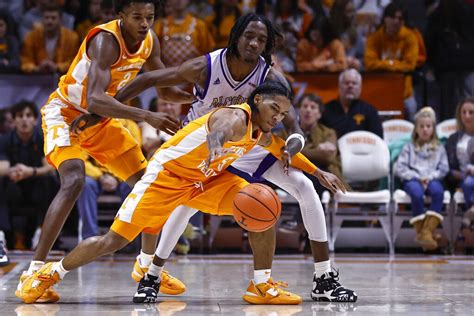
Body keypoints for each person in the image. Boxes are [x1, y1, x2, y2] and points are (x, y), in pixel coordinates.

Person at [111, 13, 357, 303]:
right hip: (204, 146)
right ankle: (152, 275)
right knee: (185, 205)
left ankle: (323, 278)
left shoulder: (269, 77)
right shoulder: (207, 66)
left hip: (248, 145)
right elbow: (151, 78)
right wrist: (109, 106)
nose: (253, 43)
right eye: (249, 36)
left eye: (261, 40)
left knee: (304, 187)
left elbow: (294, 128)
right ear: (236, 36)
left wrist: (291, 148)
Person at [18, 81, 335, 304]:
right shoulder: (237, 117)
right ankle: (48, 274)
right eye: (273, 109)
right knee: (113, 241)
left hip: (205, 181)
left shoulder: (261, 131)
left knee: (264, 206)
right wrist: (214, 145)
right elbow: (220, 129)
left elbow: (278, 147)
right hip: (167, 177)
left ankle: (261, 285)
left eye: (282, 115)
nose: (277, 117)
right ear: (257, 102)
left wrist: (315, 171)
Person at [15, 0, 194, 304]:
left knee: (150, 187)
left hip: (101, 121)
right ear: (120, 15)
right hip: (67, 114)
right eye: (137, 16)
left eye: (149, 17)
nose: (144, 23)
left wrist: (203, 93)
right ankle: (33, 270)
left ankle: (146, 265)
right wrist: (147, 116)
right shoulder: (104, 42)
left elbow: (164, 89)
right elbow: (96, 99)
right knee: (74, 180)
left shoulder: (149, 41)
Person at [0, 101, 57, 251]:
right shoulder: (4, 140)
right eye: (20, 116)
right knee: (2, 181)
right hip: (14, 187)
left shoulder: (43, 138)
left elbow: (50, 167)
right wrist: (15, 171)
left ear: (35, 120)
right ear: (14, 120)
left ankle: (42, 232)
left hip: (37, 188)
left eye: (28, 115)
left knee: (49, 180)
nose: (24, 119)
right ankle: (2, 235)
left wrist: (29, 171)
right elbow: (3, 167)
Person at [394, 107, 449, 251]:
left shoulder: (439, 148)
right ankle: (425, 233)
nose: (425, 129)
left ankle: (425, 232)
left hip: (432, 178)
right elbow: (400, 168)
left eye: (428, 126)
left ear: (433, 129)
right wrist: (418, 178)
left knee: (438, 192)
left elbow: (444, 168)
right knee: (416, 193)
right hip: (413, 179)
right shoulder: (408, 147)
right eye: (422, 126)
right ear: (416, 129)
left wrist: (430, 178)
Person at [364, 2, 418, 121]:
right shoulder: (375, 38)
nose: (396, 21)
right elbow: (369, 63)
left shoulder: (410, 37)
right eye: (392, 17)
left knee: (412, 109)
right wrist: (393, 64)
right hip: (380, 90)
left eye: (400, 18)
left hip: (404, 92)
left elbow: (410, 65)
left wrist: (384, 65)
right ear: (385, 18)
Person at [321, 68, 383, 139]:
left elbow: (378, 140)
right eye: (346, 83)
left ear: (360, 88)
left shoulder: (370, 111)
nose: (350, 86)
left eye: (354, 83)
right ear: (339, 87)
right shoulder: (325, 110)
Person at [20, 4, 79, 74]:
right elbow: (25, 62)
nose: (49, 21)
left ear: (60, 20)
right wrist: (37, 68)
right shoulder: (31, 37)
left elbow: (75, 63)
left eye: (53, 18)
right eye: (46, 18)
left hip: (63, 78)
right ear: (42, 19)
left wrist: (57, 67)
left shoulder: (72, 38)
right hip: (36, 78)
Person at [153, 0, 215, 67]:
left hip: (193, 74)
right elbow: (153, 56)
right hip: (166, 74)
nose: (179, 1)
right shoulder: (160, 25)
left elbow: (208, 54)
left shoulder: (199, 25)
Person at [446, 97, 474, 224]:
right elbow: (447, 167)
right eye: (463, 112)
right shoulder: (453, 138)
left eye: (471, 112)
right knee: (468, 183)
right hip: (462, 178)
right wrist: (462, 174)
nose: (467, 116)